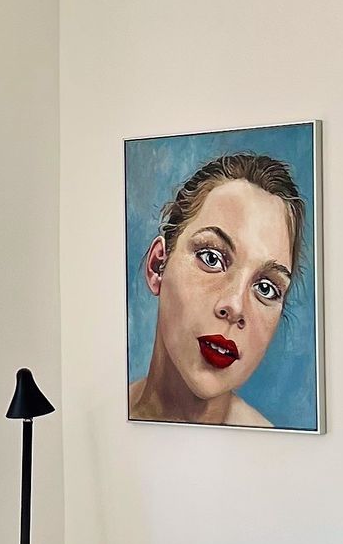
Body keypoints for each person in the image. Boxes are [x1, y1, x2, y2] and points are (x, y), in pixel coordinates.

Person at [127, 151, 305, 426]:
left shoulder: (275, 447)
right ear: (157, 266)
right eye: (211, 258)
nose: (235, 306)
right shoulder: (95, 419)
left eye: (266, 288)